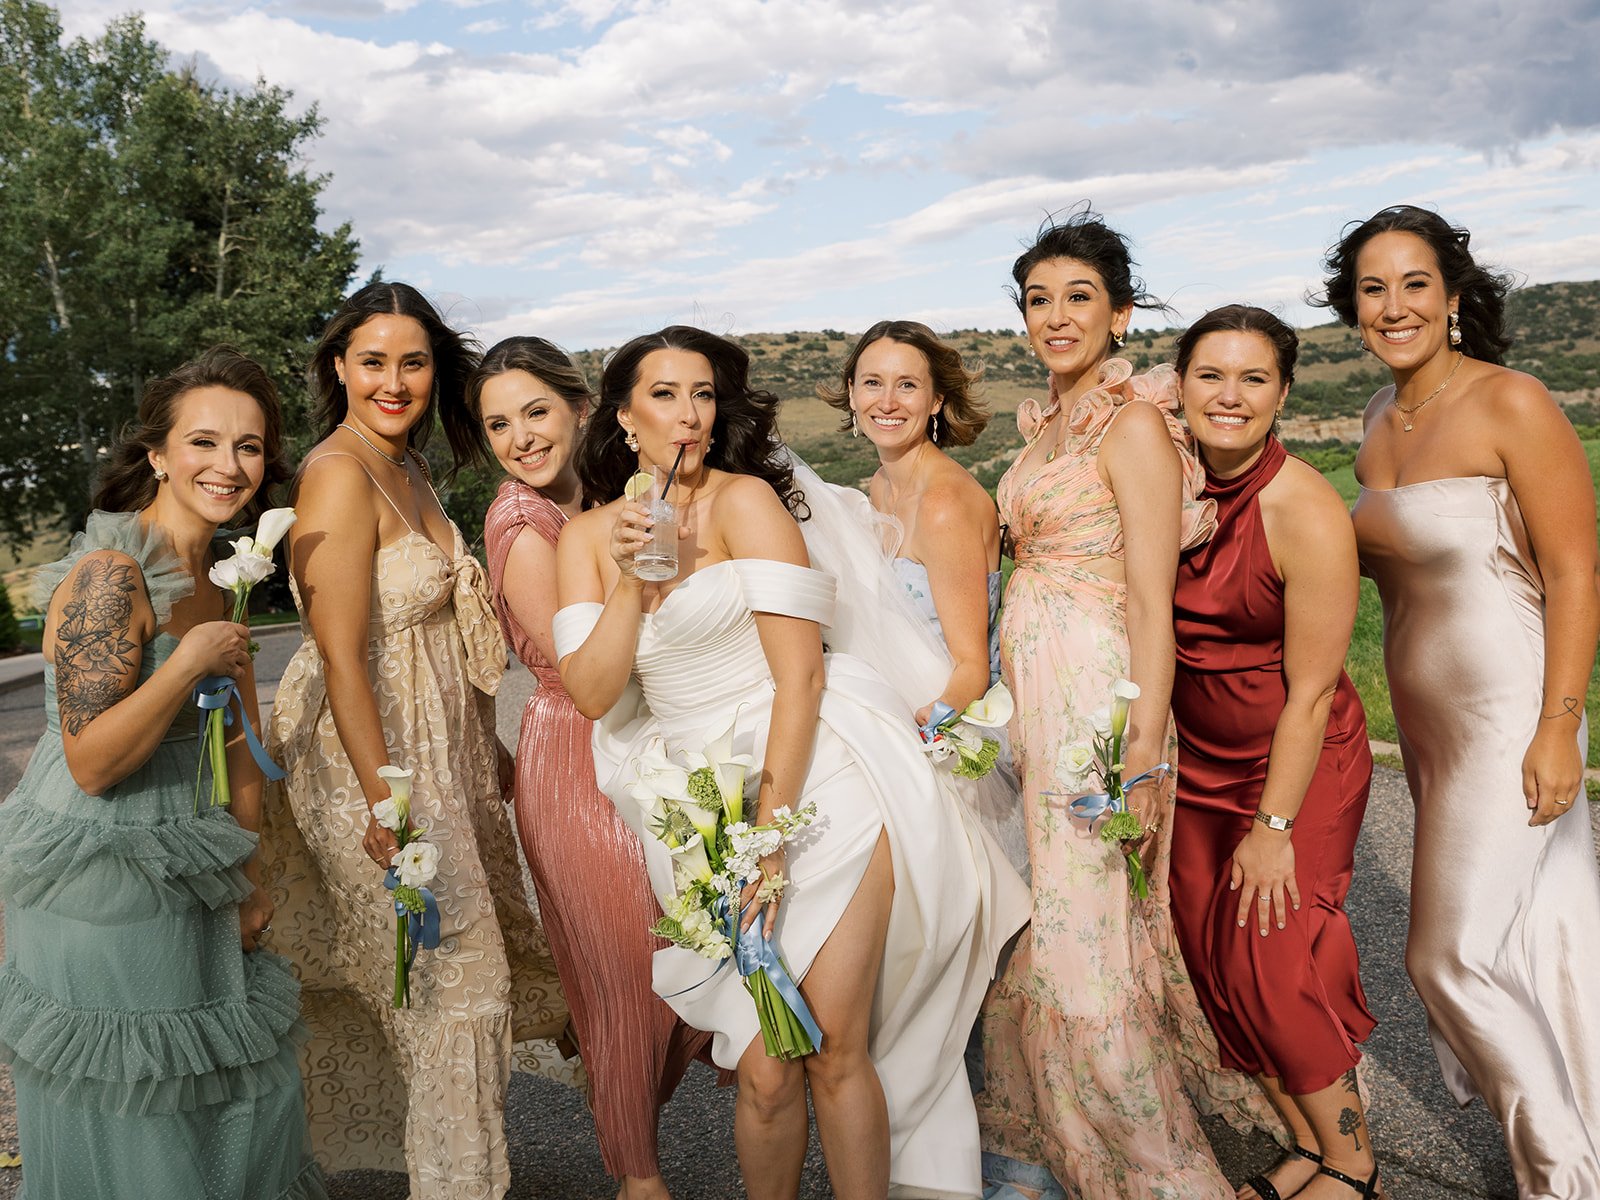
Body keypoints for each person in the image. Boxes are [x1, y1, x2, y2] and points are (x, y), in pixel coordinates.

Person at [552, 326, 1028, 1200]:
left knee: (836, 1046)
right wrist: (630, 579)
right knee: (767, 1064)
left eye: (702, 394)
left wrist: (769, 835)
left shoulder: (746, 506)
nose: (688, 414)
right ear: (624, 419)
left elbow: (800, 674)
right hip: (696, 805)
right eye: (664, 395)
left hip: (812, 780)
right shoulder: (584, 540)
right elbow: (590, 692)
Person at [975, 210, 1282, 1200]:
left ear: (1118, 312)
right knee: (1045, 935)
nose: (1055, 316)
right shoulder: (1047, 424)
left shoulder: (1133, 424)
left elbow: (1151, 595)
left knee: (1084, 954)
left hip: (1098, 709)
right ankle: (1054, 1156)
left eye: (1077, 297)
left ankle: (1166, 1181)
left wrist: (1141, 753)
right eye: (1037, 299)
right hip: (1030, 699)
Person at [261, 282, 567, 1199]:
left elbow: (439, 647)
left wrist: (495, 759)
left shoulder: (412, 470)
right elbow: (343, 657)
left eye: (414, 361)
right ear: (338, 368)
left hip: (447, 757)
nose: (394, 380)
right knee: (455, 993)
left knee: (464, 987)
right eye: (372, 360)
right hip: (378, 768)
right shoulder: (336, 472)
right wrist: (385, 801)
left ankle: (458, 1172)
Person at [0, 347, 325, 1198]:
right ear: (156, 455)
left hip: (196, 849)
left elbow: (237, 740)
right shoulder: (111, 576)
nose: (229, 466)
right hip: (103, 868)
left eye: (249, 447)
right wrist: (187, 667)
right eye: (205, 443)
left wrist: (249, 874)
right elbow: (91, 761)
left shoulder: (221, 580)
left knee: (237, 1085)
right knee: (142, 1096)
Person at [1330, 205, 1600, 1196]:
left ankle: (1563, 1178)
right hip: (1429, 727)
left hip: (1507, 711)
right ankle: (1580, 1126)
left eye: (1412, 284)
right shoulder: (1372, 420)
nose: (1392, 306)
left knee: (1445, 954)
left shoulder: (1510, 403)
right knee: (1534, 937)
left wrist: (1559, 726)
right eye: (1372, 287)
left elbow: (1575, 572)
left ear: (1451, 297)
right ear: (1350, 305)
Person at [466, 336, 712, 1200]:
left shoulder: (611, 497)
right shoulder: (522, 525)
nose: (519, 438)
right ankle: (637, 1179)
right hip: (575, 750)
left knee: (698, 951)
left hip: (654, 738)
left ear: (579, 407)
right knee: (624, 975)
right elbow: (589, 676)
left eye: (535, 412)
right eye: (498, 424)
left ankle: (616, 1077)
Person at [1171, 305, 1381, 1200]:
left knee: (1274, 955)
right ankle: (1305, 1144)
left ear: (1283, 393)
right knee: (1210, 956)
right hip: (1201, 766)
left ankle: (1356, 1167)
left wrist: (1274, 826)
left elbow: (1309, 693)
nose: (1230, 396)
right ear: (1178, 385)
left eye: (1253, 378)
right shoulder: (1166, 485)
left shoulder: (1304, 509)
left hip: (1296, 764)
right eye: (1210, 375)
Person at [819, 319, 1028, 876]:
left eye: (907, 385)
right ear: (852, 395)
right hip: (893, 717)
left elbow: (969, 669)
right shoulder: (880, 486)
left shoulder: (943, 503)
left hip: (948, 734)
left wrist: (916, 740)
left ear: (936, 400)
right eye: (872, 383)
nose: (887, 401)